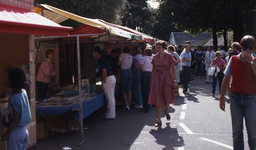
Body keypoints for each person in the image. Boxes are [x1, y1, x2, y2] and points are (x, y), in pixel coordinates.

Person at [219, 35, 256, 150]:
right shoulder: (233, 59)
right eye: (245, 49)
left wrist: (251, 62)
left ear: (254, 49)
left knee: (253, 132)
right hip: (235, 98)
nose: (247, 52)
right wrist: (221, 98)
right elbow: (226, 78)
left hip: (251, 99)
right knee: (237, 132)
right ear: (241, 47)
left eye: (250, 49)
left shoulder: (254, 60)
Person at [148, 40, 178, 127]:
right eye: (156, 47)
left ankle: (167, 111)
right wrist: (152, 81)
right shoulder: (155, 57)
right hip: (157, 77)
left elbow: (173, 68)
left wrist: (175, 81)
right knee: (158, 98)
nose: (157, 49)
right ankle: (159, 119)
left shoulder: (169, 56)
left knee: (166, 96)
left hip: (167, 77)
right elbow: (153, 70)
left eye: (159, 47)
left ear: (163, 48)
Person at [1, 68, 31, 150]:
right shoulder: (23, 92)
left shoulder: (14, 98)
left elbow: (16, 119)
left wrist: (6, 133)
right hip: (24, 130)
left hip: (15, 132)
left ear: (12, 81)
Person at [92, 46, 116, 120]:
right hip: (111, 78)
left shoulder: (101, 60)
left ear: (96, 52)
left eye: (93, 53)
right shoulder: (103, 59)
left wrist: (103, 81)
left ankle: (110, 115)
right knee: (111, 97)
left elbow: (104, 71)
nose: (92, 54)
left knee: (110, 98)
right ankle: (111, 114)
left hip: (108, 79)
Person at [139, 48, 153, 112]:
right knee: (149, 90)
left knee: (143, 90)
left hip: (144, 74)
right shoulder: (152, 58)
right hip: (151, 74)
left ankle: (145, 106)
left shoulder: (143, 58)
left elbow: (141, 68)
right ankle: (149, 107)